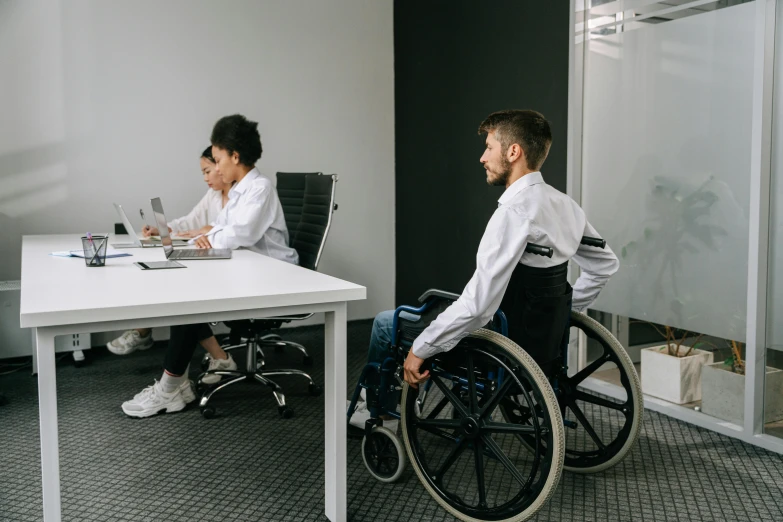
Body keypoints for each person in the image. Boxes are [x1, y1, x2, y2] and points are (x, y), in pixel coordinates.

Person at [349, 109, 620, 429]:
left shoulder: (513, 213)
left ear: (513, 151)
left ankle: (376, 410)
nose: (482, 157)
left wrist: (420, 349)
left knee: (385, 323)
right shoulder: (565, 206)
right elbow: (605, 264)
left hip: (498, 338)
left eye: (489, 147)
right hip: (536, 339)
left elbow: (478, 307)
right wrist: (560, 313)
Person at [121, 114, 299, 418]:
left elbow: (239, 233)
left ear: (235, 156)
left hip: (274, 274)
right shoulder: (238, 191)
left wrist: (211, 235)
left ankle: (171, 386)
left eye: (217, 160)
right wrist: (208, 235)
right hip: (248, 269)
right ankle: (175, 384)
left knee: (189, 296)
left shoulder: (260, 188)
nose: (215, 168)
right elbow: (218, 228)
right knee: (185, 291)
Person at [107, 146, 232, 358]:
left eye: (207, 170)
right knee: (168, 280)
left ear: (222, 165)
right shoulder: (214, 194)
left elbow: (229, 231)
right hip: (218, 260)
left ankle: (218, 357)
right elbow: (191, 220)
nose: (205, 178)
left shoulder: (243, 195)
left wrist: (208, 230)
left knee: (182, 290)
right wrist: (164, 229)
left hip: (236, 263)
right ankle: (144, 330)